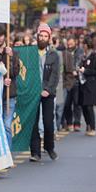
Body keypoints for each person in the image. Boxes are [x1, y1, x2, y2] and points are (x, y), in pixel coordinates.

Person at [29, 24, 60, 162]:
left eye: (45, 36)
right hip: (33, 92)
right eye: (40, 35)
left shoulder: (54, 54)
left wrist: (47, 90)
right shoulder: (30, 52)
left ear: (49, 38)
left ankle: (49, 147)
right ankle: (35, 152)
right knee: (33, 123)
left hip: (47, 92)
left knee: (48, 122)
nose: (42, 38)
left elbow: (55, 75)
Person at [0, 24, 19, 145]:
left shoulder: (12, 53)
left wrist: (10, 58)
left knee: (7, 125)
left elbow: (15, 72)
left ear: (5, 37)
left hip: (9, 94)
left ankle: (7, 155)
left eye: (1, 35)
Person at [78, 36, 96, 136]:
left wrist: (85, 71)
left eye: (84, 44)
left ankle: (93, 127)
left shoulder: (95, 56)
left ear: (87, 45)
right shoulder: (84, 56)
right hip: (83, 83)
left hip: (92, 84)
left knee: (89, 106)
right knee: (83, 105)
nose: (83, 46)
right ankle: (87, 125)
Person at [60, 36, 83, 132]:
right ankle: (69, 122)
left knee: (77, 103)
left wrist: (77, 70)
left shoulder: (80, 51)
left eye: (71, 43)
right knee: (67, 103)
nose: (69, 45)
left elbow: (81, 62)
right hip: (67, 81)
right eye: (68, 44)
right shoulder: (64, 53)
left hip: (77, 80)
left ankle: (77, 123)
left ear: (75, 43)